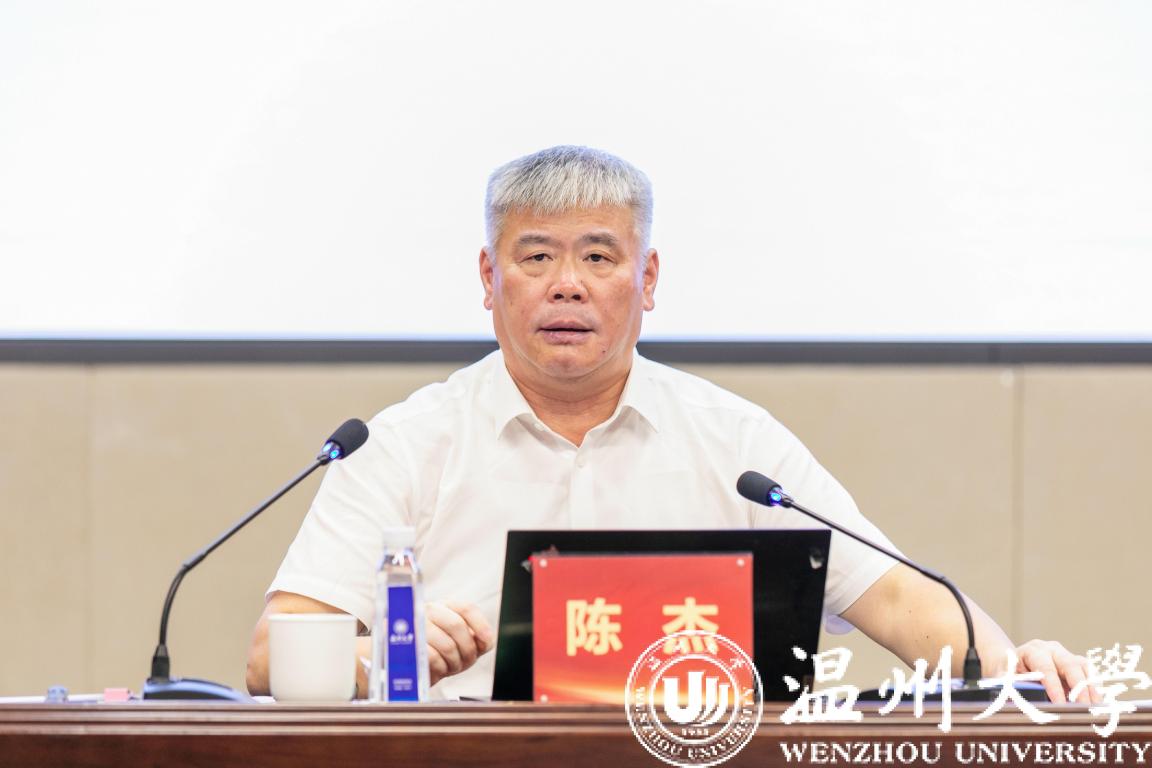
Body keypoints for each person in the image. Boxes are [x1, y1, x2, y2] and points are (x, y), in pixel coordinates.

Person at [246, 145, 1093, 703]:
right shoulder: (405, 442)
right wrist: (385, 656)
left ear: (647, 279)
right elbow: (268, 656)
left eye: (599, 256)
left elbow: (899, 595)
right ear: (488, 278)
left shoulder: (736, 443)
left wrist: (1011, 668)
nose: (567, 283)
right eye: (536, 256)